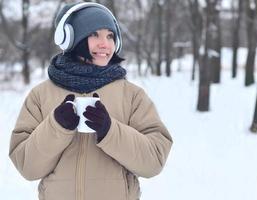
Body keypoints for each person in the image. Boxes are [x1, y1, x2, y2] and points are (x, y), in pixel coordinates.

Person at [8, 2, 173, 200]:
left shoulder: (132, 96)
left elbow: (154, 161)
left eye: (110, 36)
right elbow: (27, 167)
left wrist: (110, 130)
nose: (105, 44)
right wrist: (56, 128)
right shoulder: (40, 96)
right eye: (94, 34)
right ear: (70, 39)